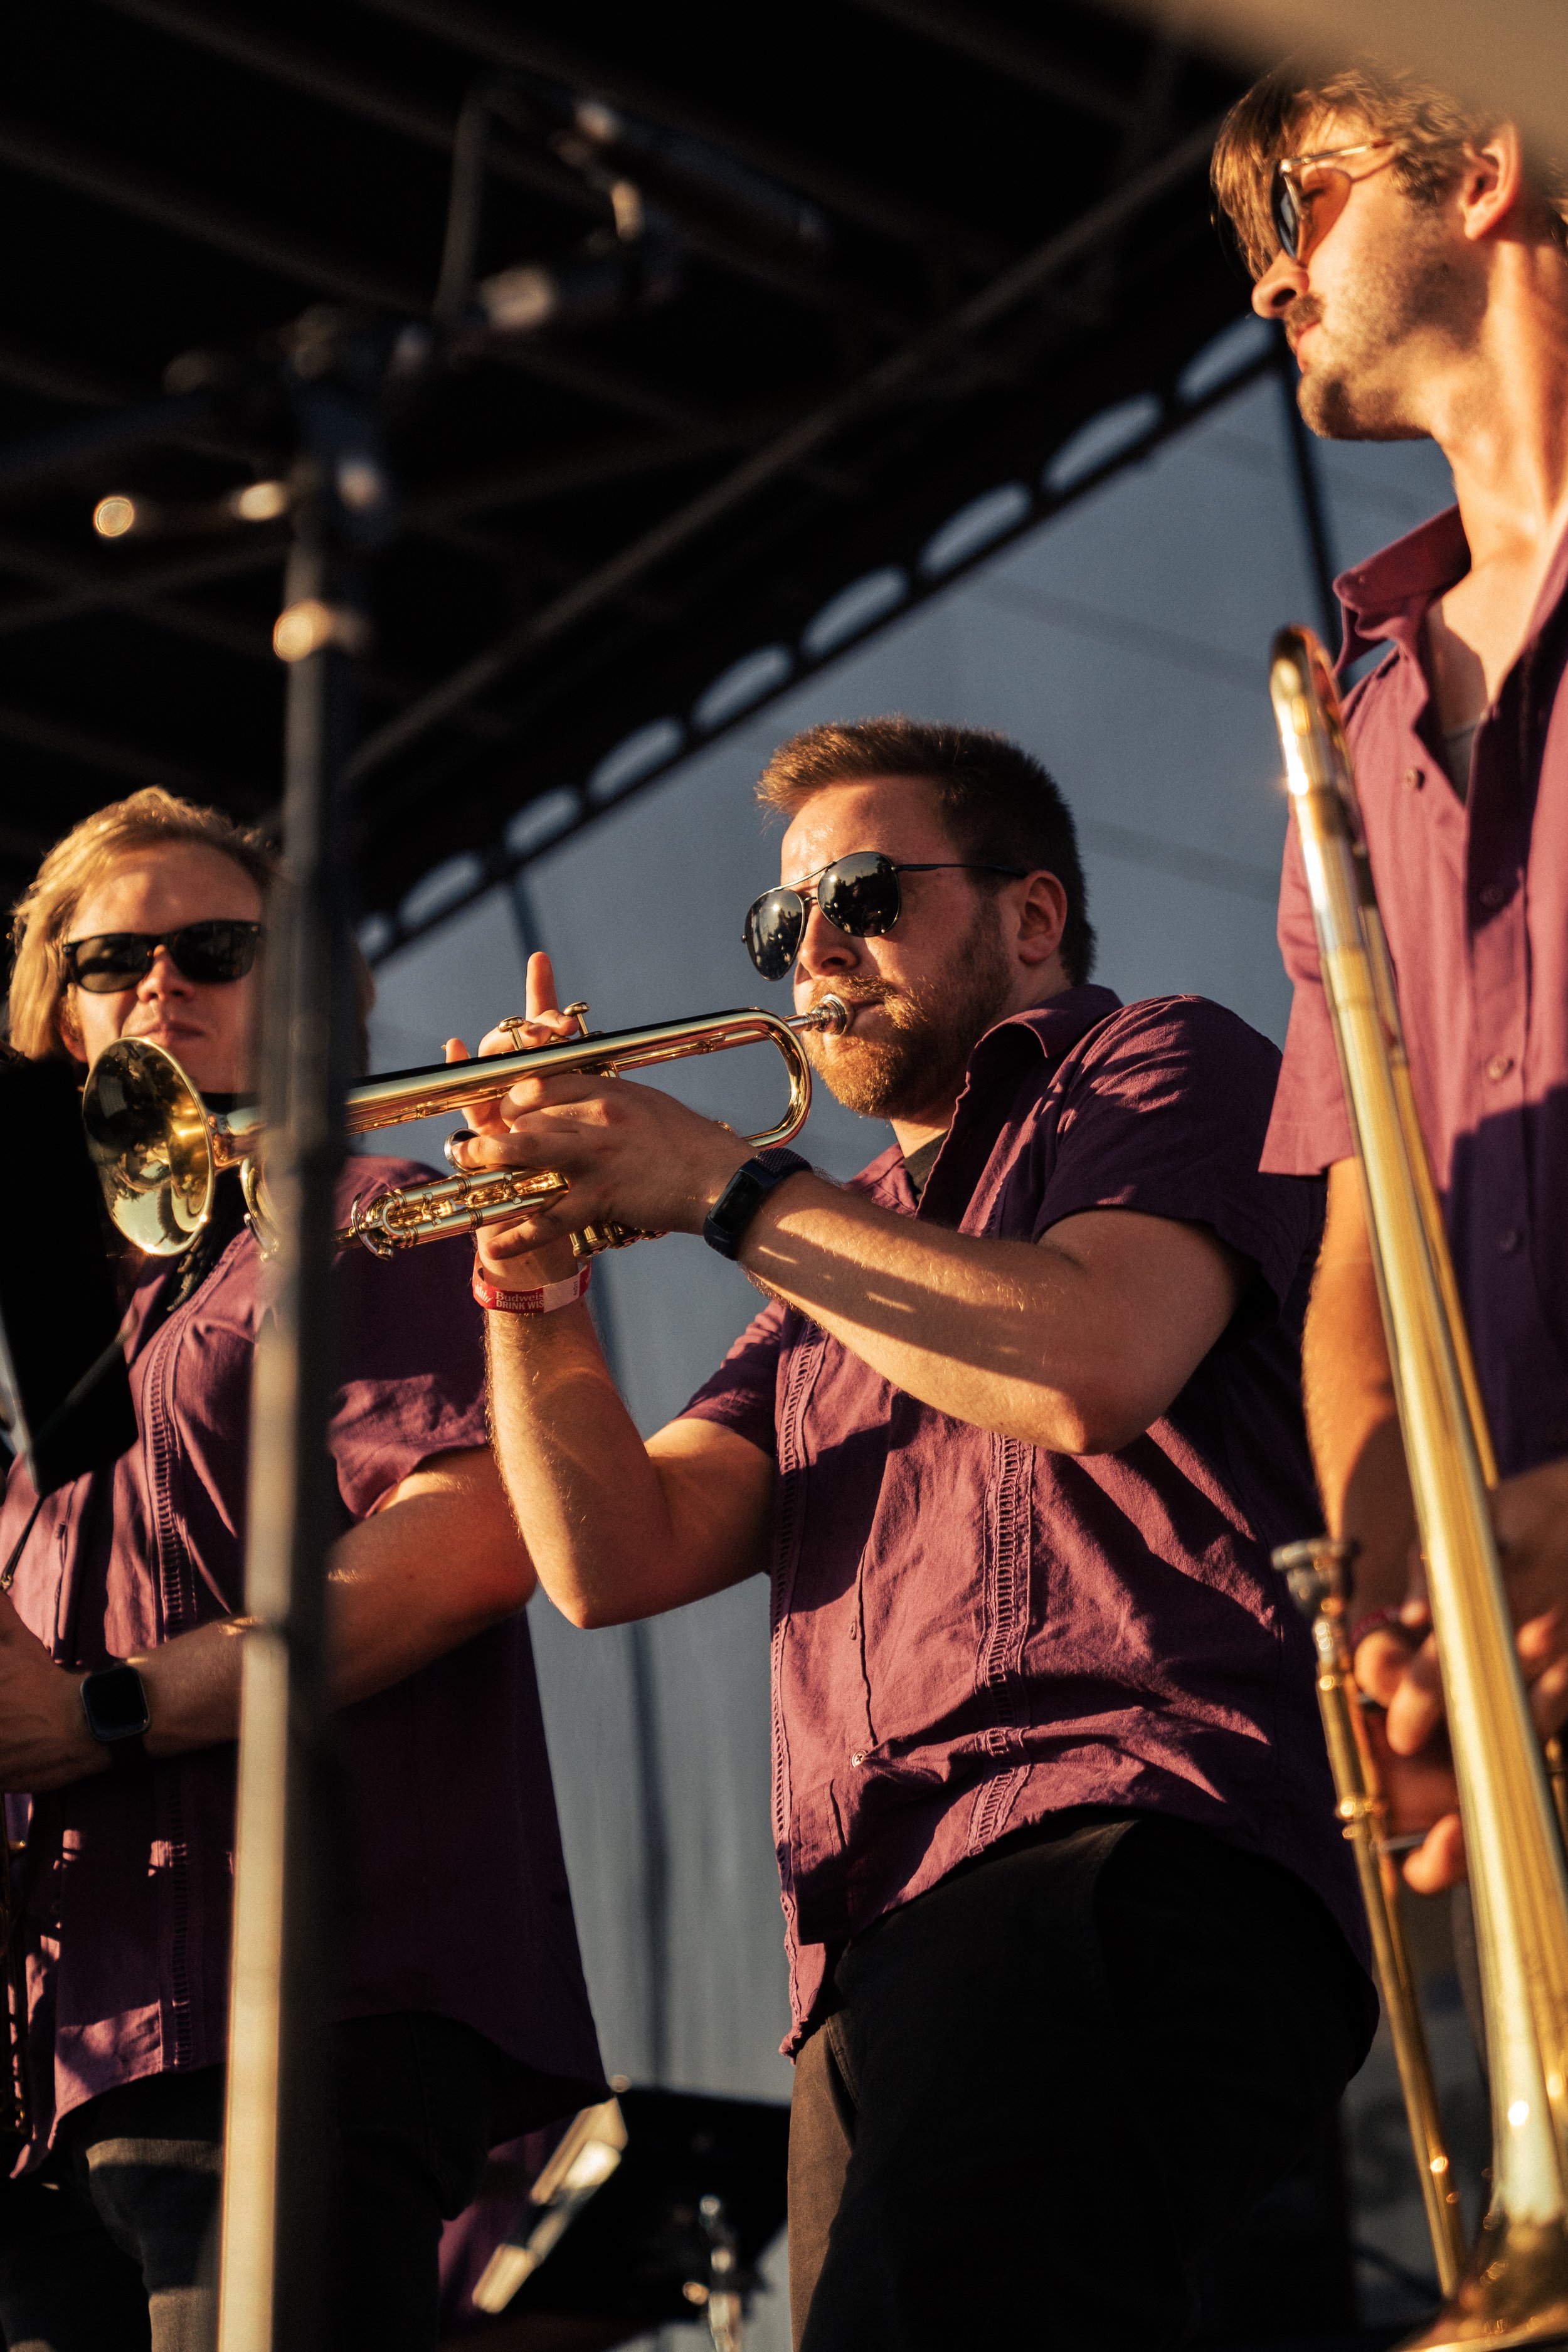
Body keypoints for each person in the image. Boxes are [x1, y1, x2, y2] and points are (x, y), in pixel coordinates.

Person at [446, 717, 1376, 2351]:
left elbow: (1085, 1360)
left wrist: (725, 1187)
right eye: (777, 921)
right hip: (872, 1940)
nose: (810, 948)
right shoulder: (844, 1250)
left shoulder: (1158, 1059)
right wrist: (530, 1282)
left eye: (861, 893)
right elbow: (615, 1555)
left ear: (1028, 916)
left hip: (1117, 1847)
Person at [0, 788, 603, 2352]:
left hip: (298, 2011)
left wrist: (107, 1711)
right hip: (72, 2073)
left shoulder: (362, 1218)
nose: (160, 983)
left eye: (214, 946)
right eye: (108, 959)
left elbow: (475, 1537)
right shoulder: (65, 1352)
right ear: (61, 1021)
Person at [1212, 61, 1568, 1890]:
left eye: (1304, 202)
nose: (1267, 282)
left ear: (1490, 165)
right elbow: (1364, 1250)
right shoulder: (1341, 738)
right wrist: (1395, 1600)